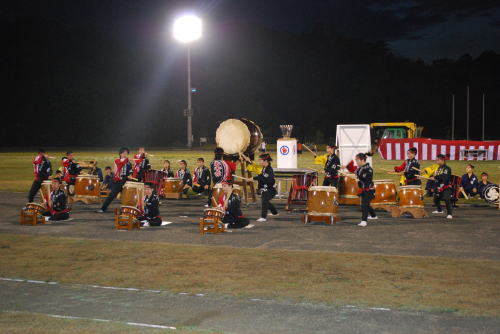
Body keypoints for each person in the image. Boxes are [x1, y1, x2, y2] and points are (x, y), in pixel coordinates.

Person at [97, 147, 133, 213]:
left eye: (126, 153)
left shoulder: (129, 163)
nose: (125, 155)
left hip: (126, 181)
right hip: (118, 181)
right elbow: (119, 165)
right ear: (120, 154)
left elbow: (130, 171)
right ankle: (103, 209)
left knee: (128, 197)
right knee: (111, 196)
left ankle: (129, 210)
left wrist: (130, 175)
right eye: (123, 153)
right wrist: (127, 160)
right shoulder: (117, 161)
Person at [346, 153, 377, 227]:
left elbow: (366, 180)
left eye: (357, 160)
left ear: (362, 160)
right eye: (356, 160)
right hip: (364, 189)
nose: (356, 162)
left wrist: (358, 180)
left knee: (364, 205)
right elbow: (355, 171)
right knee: (366, 204)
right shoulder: (360, 168)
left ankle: (364, 221)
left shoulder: (368, 169)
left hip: (368, 190)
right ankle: (374, 216)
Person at [254, 154, 278, 222]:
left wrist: (264, 187)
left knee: (264, 200)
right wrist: (252, 178)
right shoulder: (265, 168)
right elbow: (261, 176)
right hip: (268, 188)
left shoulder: (269, 170)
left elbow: (269, 180)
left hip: (271, 189)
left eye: (261, 160)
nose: (260, 162)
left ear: (266, 161)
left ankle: (263, 217)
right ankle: (275, 212)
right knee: (266, 200)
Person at [429, 154, 453, 219]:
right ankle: (440, 210)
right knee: (436, 199)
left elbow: (445, 177)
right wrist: (434, 187)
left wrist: (435, 177)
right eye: (436, 160)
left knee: (447, 198)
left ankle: (449, 214)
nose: (436, 161)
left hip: (447, 187)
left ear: (442, 160)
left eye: (438, 160)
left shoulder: (447, 168)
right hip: (439, 187)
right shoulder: (439, 168)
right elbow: (437, 180)